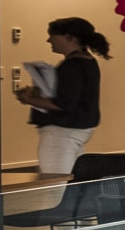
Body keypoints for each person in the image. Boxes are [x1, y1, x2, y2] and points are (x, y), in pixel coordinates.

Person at [16, 16, 110, 179]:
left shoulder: (71, 66)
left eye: (52, 34)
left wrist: (28, 99)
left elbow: (63, 103)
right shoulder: (88, 62)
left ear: (69, 37)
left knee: (56, 186)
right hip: (79, 131)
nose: (49, 40)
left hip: (61, 134)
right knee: (71, 184)